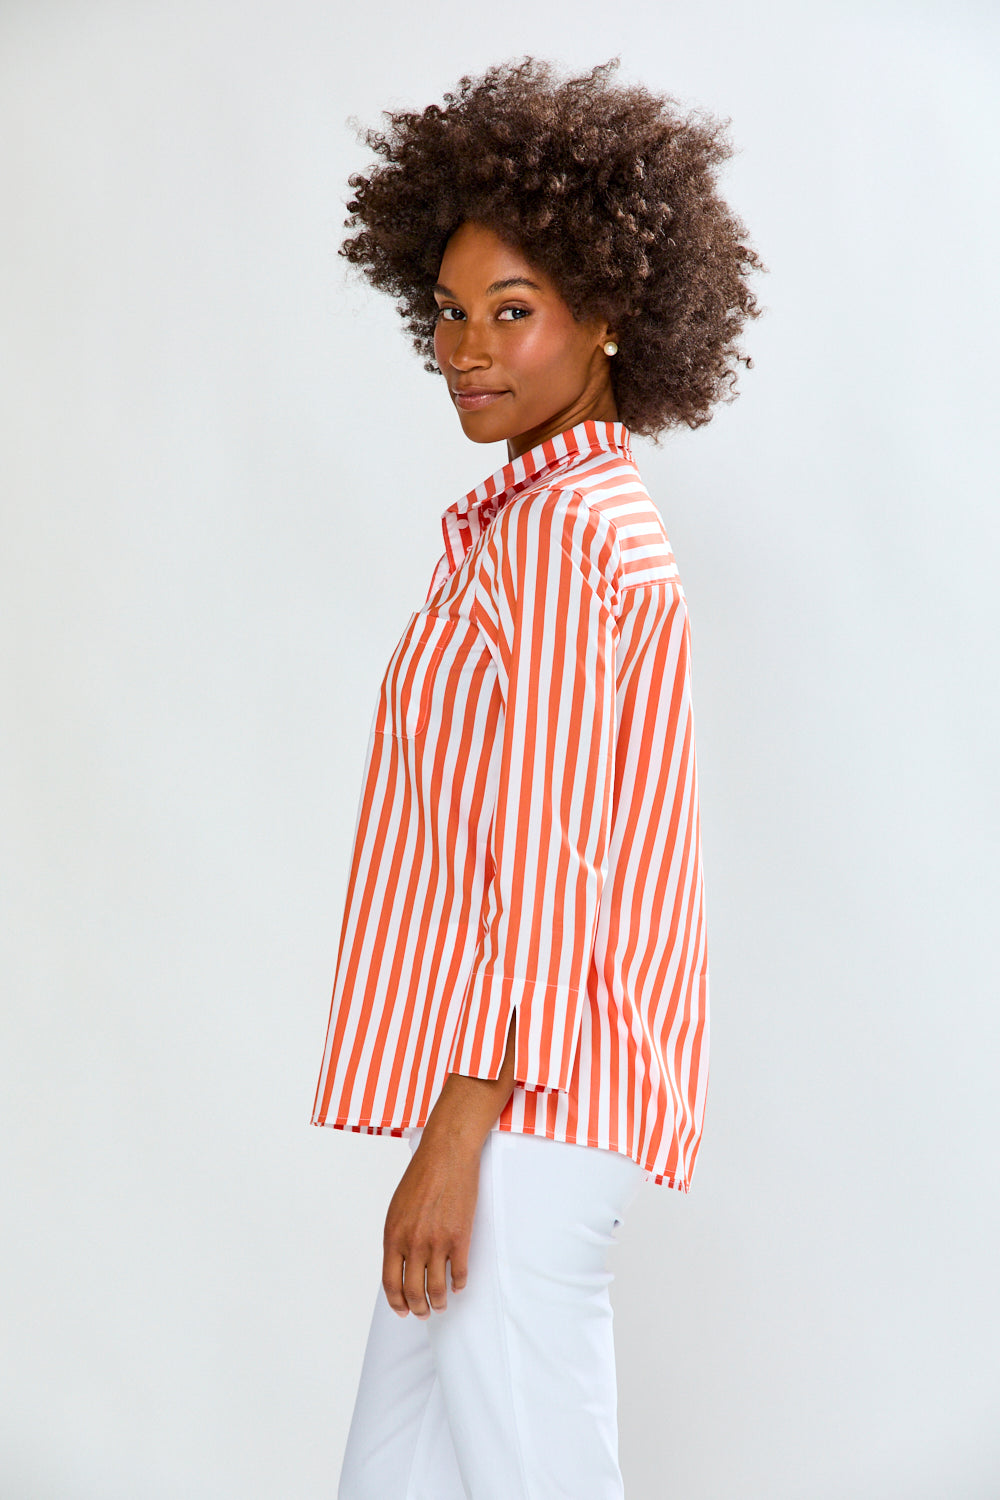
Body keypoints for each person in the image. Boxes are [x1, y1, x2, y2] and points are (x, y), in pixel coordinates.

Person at [310, 55, 765, 1500]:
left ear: (610, 319)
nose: (468, 348)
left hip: (526, 1111)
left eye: (515, 313)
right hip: (519, 1100)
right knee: (394, 1479)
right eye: (448, 311)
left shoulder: (568, 539)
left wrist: (457, 1136)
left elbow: (554, 861)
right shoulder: (546, 521)